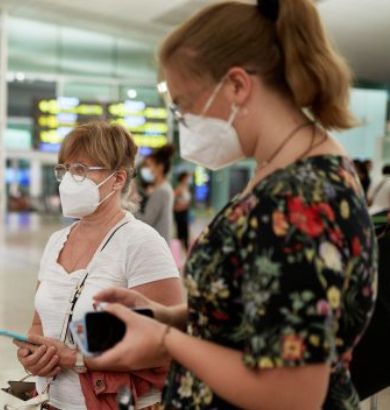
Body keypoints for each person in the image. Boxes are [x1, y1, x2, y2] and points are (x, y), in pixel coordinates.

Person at [88, 1, 377, 409]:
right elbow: (263, 311)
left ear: (238, 85)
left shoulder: (299, 200)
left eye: (185, 105)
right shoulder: (280, 172)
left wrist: (167, 342)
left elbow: (293, 393)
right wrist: (170, 316)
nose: (183, 122)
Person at [13, 122, 183, 410]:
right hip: (50, 401)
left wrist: (75, 358)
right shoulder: (57, 241)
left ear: (117, 179)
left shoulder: (141, 242)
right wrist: (32, 354)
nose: (68, 180)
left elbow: (167, 346)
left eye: (80, 170)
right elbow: (40, 323)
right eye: (64, 170)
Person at [139, 145, 176, 243]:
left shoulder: (161, 191)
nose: (146, 169)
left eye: (149, 165)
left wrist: (127, 208)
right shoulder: (164, 187)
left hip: (157, 245)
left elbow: (146, 220)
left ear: (160, 167)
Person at [173, 171, 193, 247]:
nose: (188, 179)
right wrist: (177, 206)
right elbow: (172, 198)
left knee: (186, 233)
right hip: (180, 213)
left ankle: (185, 251)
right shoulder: (179, 188)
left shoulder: (186, 188)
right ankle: (178, 251)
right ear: (183, 178)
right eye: (187, 177)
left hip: (185, 212)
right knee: (181, 233)